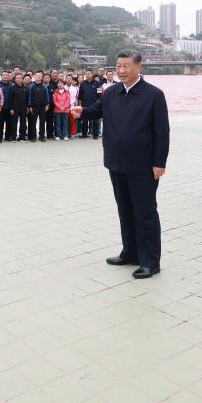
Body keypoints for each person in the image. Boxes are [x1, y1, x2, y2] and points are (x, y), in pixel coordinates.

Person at [73, 50, 170, 279]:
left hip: (143, 166)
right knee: (125, 210)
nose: (121, 70)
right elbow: (96, 111)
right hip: (116, 163)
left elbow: (162, 132)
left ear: (139, 67)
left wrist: (159, 163)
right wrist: (82, 112)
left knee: (144, 213)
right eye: (118, 66)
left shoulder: (154, 95)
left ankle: (150, 261)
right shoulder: (111, 92)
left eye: (126, 66)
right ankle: (130, 252)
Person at [28, 72, 51, 142]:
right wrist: (30, 106)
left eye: (40, 76)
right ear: (34, 77)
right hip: (34, 107)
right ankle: (33, 136)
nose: (38, 77)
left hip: (43, 107)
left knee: (42, 122)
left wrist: (47, 104)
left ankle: (42, 136)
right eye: (37, 76)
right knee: (33, 122)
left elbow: (47, 96)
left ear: (42, 78)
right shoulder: (31, 86)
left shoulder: (44, 86)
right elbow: (29, 96)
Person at [9, 75, 29, 142]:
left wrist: (27, 107)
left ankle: (22, 137)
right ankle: (13, 137)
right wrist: (11, 108)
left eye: (20, 78)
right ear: (15, 79)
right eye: (17, 78)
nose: (19, 79)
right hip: (15, 108)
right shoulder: (12, 88)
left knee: (23, 123)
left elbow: (27, 99)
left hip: (23, 108)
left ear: (22, 79)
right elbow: (10, 99)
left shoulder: (25, 87)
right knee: (14, 123)